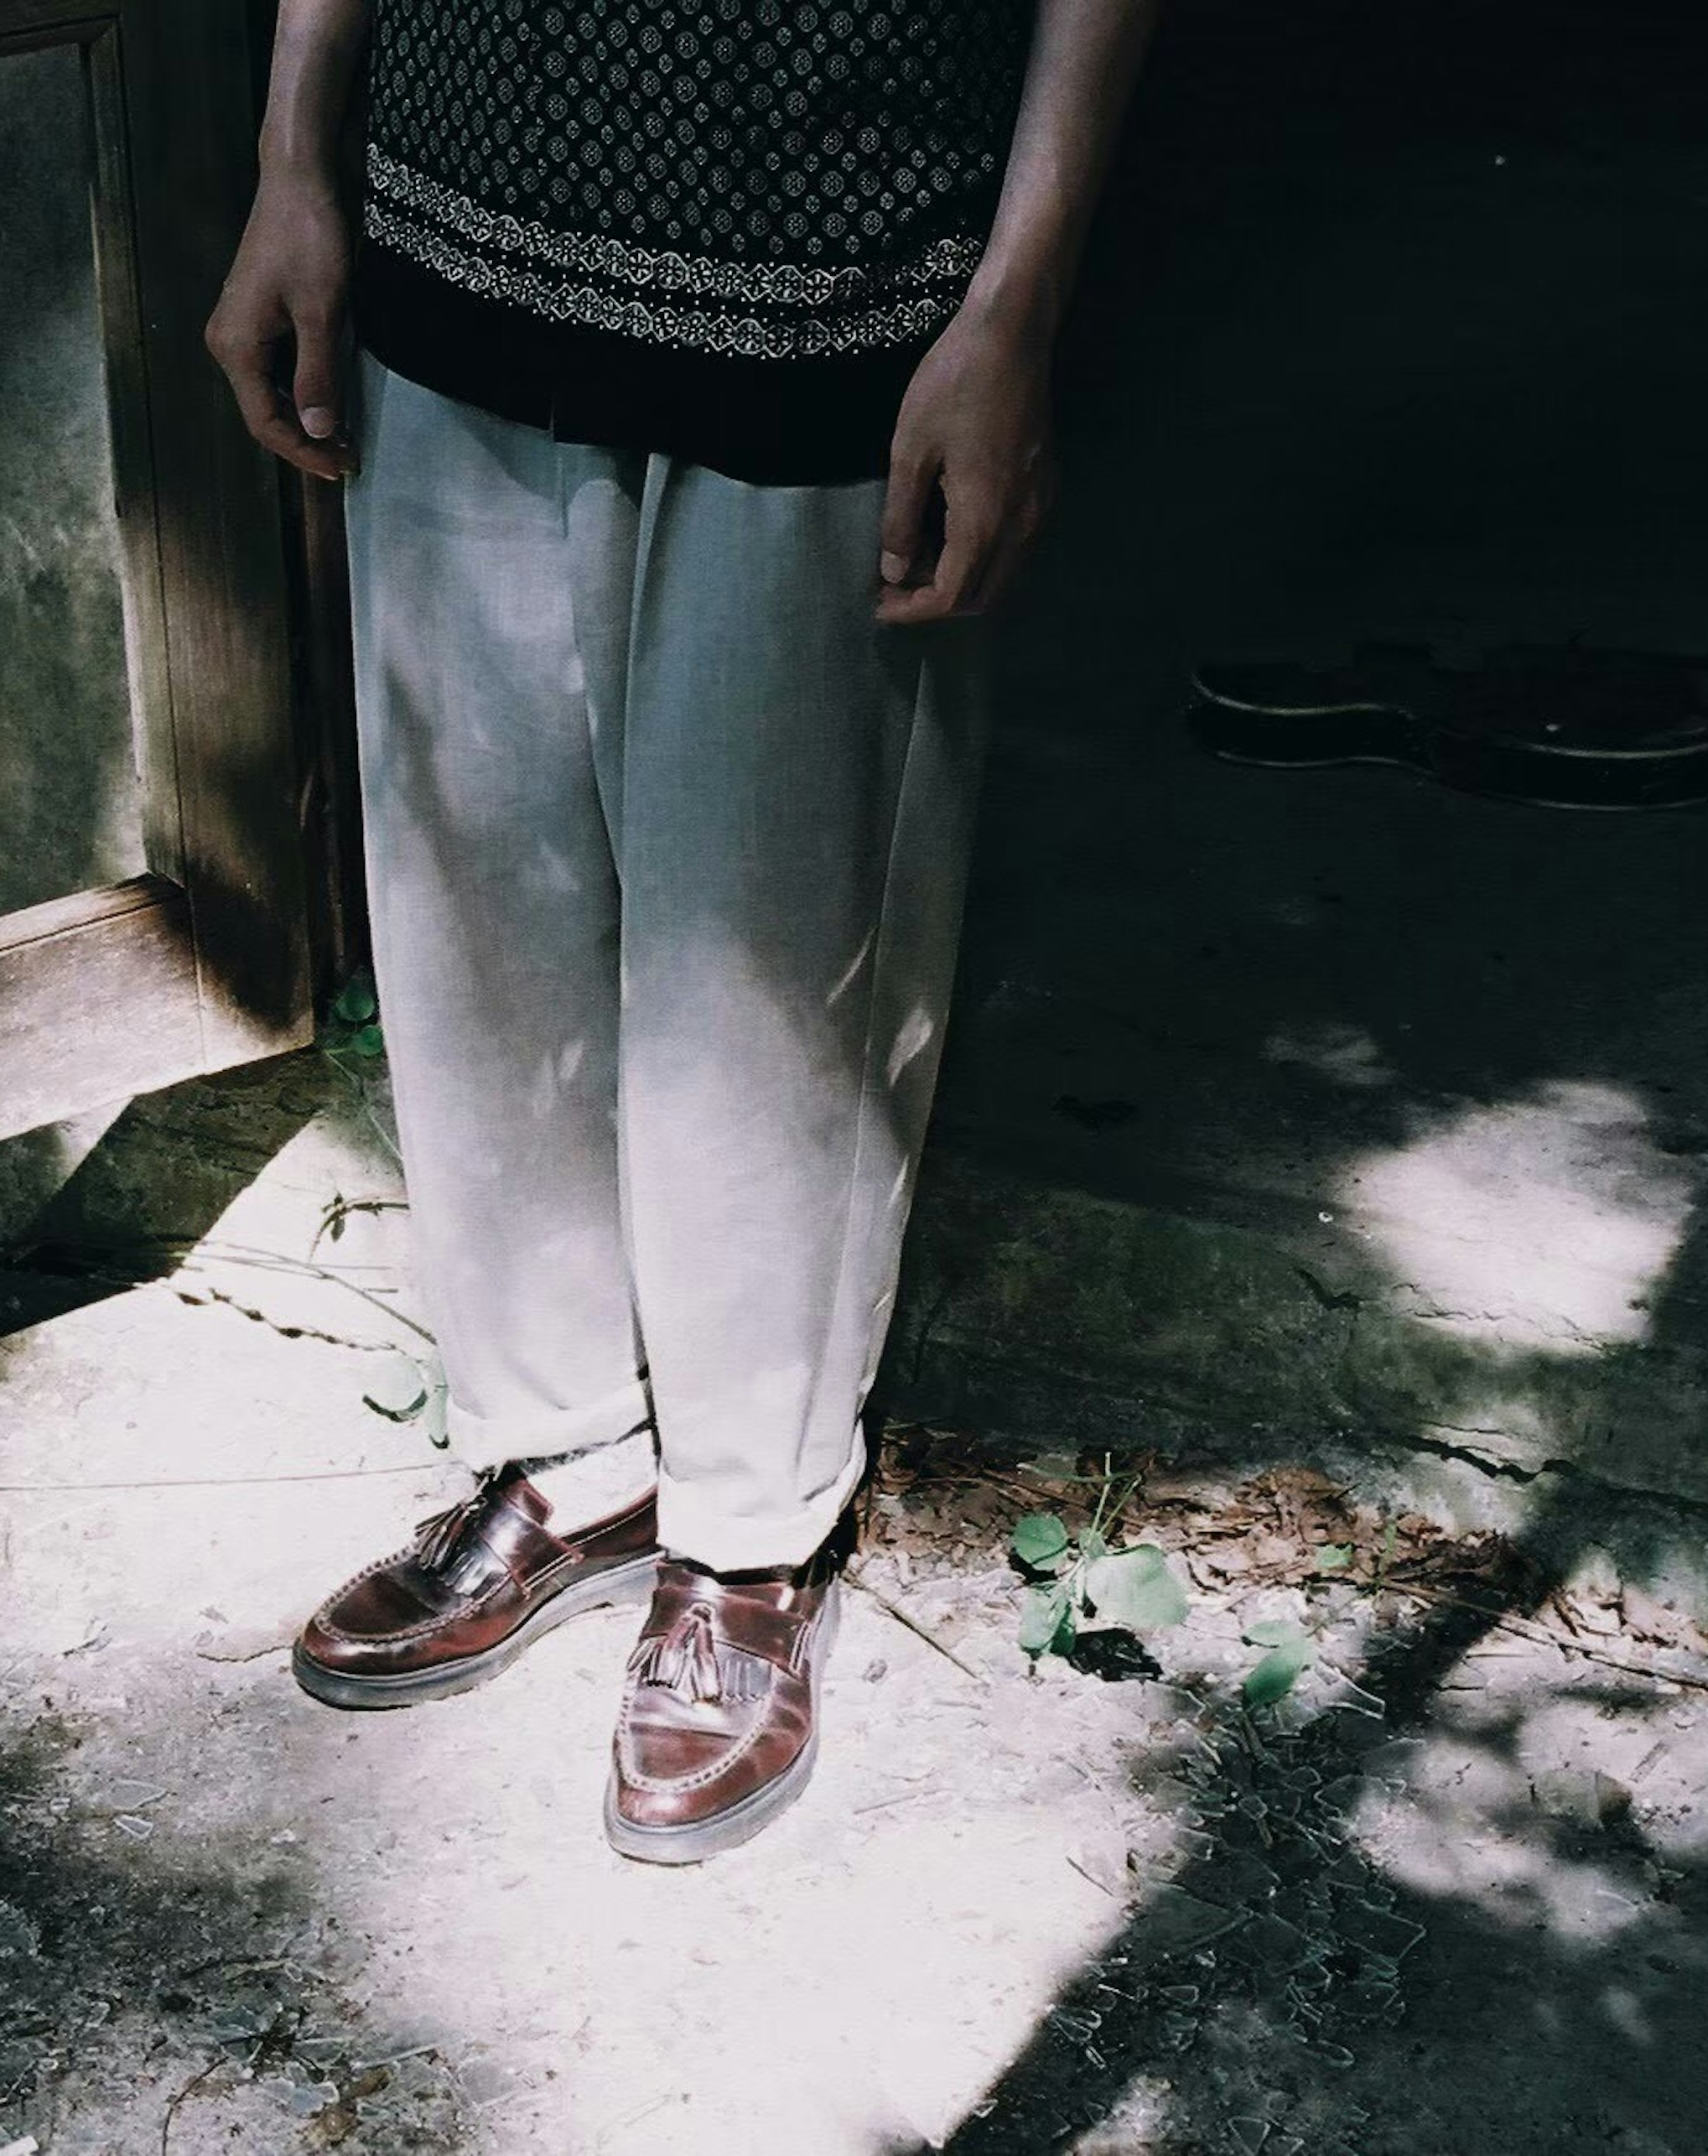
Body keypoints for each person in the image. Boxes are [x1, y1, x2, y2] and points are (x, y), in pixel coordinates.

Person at [207, 0, 1156, 1863]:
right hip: (455, 226)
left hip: (831, 264)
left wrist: (1016, 309)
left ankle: (744, 1527)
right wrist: (291, 164)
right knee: (480, 892)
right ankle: (565, 1455)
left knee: (773, 936)